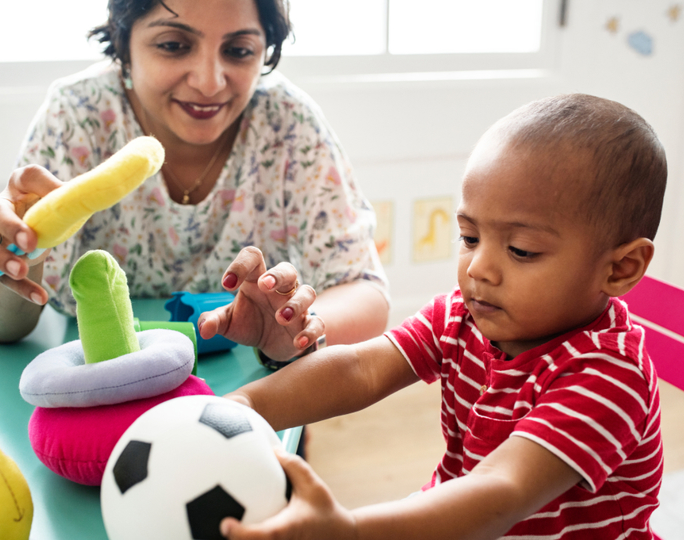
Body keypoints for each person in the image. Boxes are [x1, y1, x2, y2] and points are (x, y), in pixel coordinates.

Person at [222, 93, 668, 539]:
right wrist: (244, 405)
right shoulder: (461, 316)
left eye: (521, 250)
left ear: (620, 268)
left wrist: (351, 531)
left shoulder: (609, 375)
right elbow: (361, 369)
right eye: (470, 237)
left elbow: (500, 490)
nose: (478, 268)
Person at [0, 0, 389, 362]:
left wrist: (292, 330)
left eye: (239, 50)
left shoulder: (287, 122)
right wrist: (19, 251)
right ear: (124, 42)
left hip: (255, 389)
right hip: (97, 379)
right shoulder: (77, 115)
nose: (209, 82)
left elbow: (365, 291)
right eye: (173, 45)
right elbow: (1, 327)